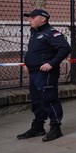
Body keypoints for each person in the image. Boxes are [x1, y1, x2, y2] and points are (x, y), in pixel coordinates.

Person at [17, 9, 71, 142]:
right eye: (29, 18)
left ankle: (55, 128)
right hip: (34, 73)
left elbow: (65, 48)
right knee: (36, 101)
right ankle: (38, 127)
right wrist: (27, 64)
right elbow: (35, 51)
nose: (29, 20)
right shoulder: (35, 33)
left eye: (32, 17)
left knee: (49, 99)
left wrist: (52, 64)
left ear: (43, 19)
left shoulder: (51, 33)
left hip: (46, 74)